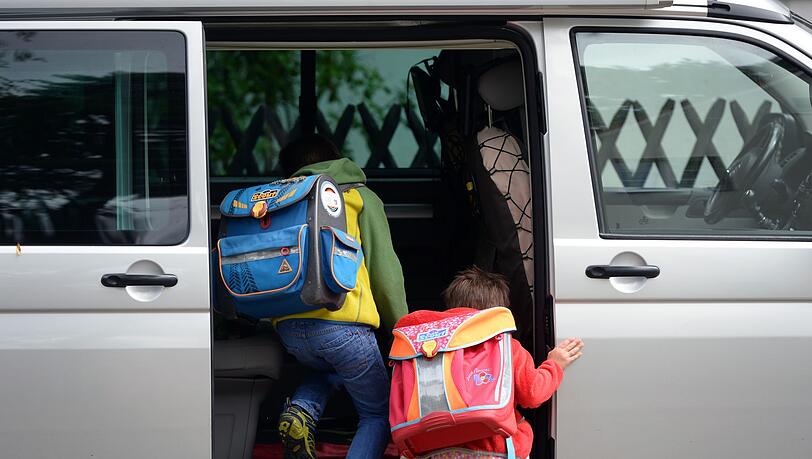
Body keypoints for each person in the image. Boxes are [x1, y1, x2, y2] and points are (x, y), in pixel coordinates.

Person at [274, 134, 408, 459]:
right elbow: (385, 272)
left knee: (330, 368)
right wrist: (404, 329)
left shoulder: (280, 200)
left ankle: (301, 410)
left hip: (289, 329)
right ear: (337, 159)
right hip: (344, 327)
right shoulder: (357, 196)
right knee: (378, 414)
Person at [394, 266, 583, 459]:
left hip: (433, 452)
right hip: (494, 450)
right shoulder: (506, 346)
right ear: (497, 313)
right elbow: (532, 393)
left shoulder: (426, 350)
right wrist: (554, 364)